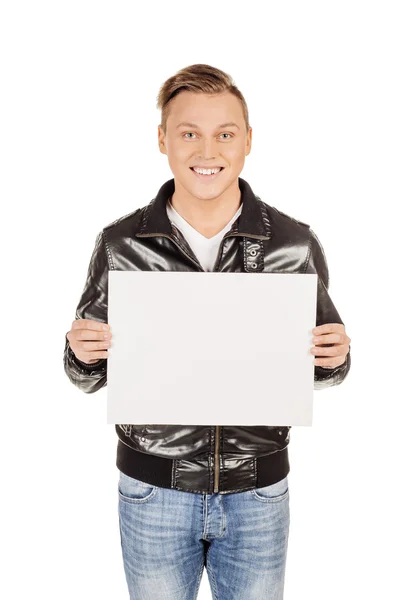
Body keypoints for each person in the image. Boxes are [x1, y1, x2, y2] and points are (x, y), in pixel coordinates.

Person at [64, 63, 351, 600]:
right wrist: (82, 353)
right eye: (188, 133)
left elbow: (321, 366)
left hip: (258, 491)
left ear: (247, 142)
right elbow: (86, 375)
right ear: (162, 140)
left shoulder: (293, 243)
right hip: (152, 490)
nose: (207, 150)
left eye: (224, 134)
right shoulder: (121, 243)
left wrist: (333, 357)